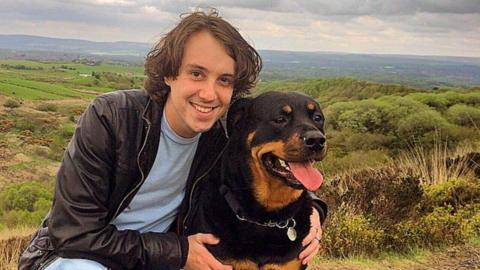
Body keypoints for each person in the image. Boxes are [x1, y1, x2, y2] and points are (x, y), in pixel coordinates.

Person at [19, 10, 327, 270]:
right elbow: (73, 234)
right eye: (196, 74)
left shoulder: (222, 138)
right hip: (84, 259)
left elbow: (267, 171)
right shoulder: (111, 119)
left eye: (224, 80)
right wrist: (179, 251)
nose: (209, 94)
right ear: (169, 73)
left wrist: (313, 210)